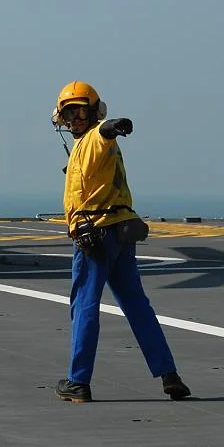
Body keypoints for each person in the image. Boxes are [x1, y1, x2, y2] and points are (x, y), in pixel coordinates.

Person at [52, 80, 191, 403]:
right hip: (121, 234)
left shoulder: (94, 138)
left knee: (85, 306)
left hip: (95, 237)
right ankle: (169, 375)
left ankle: (78, 381)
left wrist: (113, 126)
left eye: (78, 111)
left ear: (94, 112)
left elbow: (103, 135)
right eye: (69, 112)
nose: (74, 118)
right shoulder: (85, 148)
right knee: (137, 306)